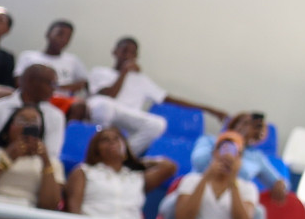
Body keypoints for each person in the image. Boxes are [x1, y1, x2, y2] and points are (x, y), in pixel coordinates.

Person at [62, 126, 172, 219]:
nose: (112, 142)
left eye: (117, 139)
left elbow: (169, 166)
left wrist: (134, 161)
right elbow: (73, 212)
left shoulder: (136, 177)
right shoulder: (83, 172)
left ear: (125, 146)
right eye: (105, 140)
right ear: (96, 149)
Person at [85, 37, 223, 155]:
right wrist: (124, 72)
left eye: (132, 53)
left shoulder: (141, 80)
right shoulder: (99, 72)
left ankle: (122, 155)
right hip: (105, 108)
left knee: (158, 124)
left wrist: (211, 110)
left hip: (128, 116)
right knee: (104, 106)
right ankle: (98, 149)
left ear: (136, 57)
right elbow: (110, 95)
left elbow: (171, 99)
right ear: (115, 51)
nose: (127, 55)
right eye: (124, 50)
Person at [0, 64, 65, 157]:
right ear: (32, 82)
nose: (54, 89)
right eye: (52, 84)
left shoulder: (55, 116)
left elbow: (52, 155)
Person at [189, 113, 292, 201]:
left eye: (254, 126)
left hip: (233, 199)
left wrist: (281, 185)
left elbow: (280, 183)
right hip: (201, 191)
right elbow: (199, 162)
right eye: (245, 123)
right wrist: (227, 147)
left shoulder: (256, 157)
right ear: (234, 125)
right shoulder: (210, 140)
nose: (248, 128)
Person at [16, 19, 89, 98]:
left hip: (63, 100)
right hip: (33, 98)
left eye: (68, 37)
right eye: (60, 34)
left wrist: (54, 87)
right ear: (48, 34)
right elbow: (18, 81)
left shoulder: (73, 60)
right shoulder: (28, 56)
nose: (63, 39)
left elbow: (83, 83)